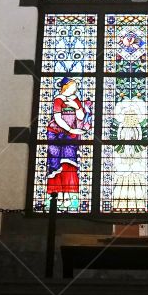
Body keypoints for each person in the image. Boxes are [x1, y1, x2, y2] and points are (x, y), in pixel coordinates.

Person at [45, 77, 91, 206]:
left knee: (69, 162)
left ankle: (70, 197)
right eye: (72, 87)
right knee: (55, 163)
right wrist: (71, 129)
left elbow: (81, 116)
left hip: (71, 135)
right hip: (56, 133)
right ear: (65, 87)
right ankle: (56, 196)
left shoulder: (75, 99)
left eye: (75, 87)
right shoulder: (58, 100)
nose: (75, 89)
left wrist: (76, 106)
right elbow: (58, 119)